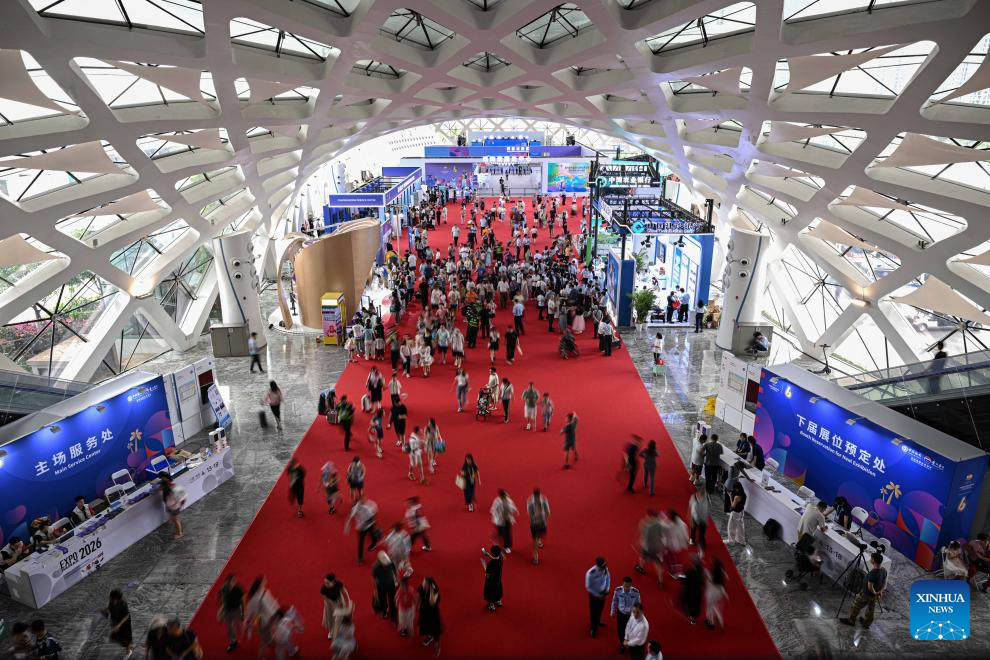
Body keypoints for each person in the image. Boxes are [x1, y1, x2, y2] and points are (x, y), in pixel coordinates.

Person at [840, 552, 887, 629]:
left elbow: (870, 586)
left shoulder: (873, 573)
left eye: (871, 558)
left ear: (874, 560)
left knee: (855, 606)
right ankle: (866, 623)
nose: (870, 559)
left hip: (866, 594)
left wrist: (875, 593)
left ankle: (851, 621)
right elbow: (884, 582)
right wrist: (880, 591)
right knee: (870, 610)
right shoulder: (883, 570)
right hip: (875, 596)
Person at [344, 495, 379, 565]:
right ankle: (360, 558)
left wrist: (347, 527)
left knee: (371, 535)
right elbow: (350, 517)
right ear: (359, 501)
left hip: (366, 525)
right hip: (363, 527)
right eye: (362, 500)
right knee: (362, 541)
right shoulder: (358, 508)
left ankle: (374, 543)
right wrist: (347, 527)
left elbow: (373, 516)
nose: (364, 500)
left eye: (364, 499)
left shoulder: (365, 506)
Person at [610, 577, 641, 654]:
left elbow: (638, 604)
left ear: (631, 585)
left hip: (632, 615)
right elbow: (614, 601)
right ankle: (623, 645)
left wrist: (638, 614)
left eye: (628, 586)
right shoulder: (618, 591)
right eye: (625, 586)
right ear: (622, 584)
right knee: (621, 630)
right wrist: (612, 611)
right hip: (621, 614)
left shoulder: (635, 592)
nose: (626, 588)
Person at [101, 589, 133, 657]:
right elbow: (110, 607)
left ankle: (128, 652)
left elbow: (126, 616)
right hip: (116, 619)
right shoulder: (112, 601)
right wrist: (105, 610)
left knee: (126, 638)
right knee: (116, 636)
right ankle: (128, 646)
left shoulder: (123, 604)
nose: (110, 599)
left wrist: (119, 625)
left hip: (124, 622)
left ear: (117, 599)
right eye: (111, 597)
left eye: (112, 597)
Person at [217, 574, 244, 652]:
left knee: (238, 625)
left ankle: (240, 629)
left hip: (237, 610)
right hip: (227, 611)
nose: (234, 582)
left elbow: (243, 601)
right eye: (232, 580)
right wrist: (220, 611)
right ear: (227, 582)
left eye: (235, 580)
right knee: (229, 628)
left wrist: (243, 613)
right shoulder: (223, 589)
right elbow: (219, 599)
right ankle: (233, 642)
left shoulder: (238, 589)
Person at [585, 556, 611, 637]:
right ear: (597, 565)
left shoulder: (605, 569)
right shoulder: (591, 573)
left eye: (604, 566)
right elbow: (588, 587)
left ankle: (598, 621)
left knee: (600, 609)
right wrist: (598, 595)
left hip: (603, 594)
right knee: (593, 611)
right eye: (602, 566)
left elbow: (608, 579)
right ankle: (593, 628)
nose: (604, 568)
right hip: (594, 595)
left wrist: (607, 589)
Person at [321, 573, 351, 642]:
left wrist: (348, 599)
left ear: (333, 582)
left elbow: (344, 590)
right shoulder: (323, 588)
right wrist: (335, 606)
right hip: (329, 604)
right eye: (325, 582)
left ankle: (342, 628)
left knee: (341, 616)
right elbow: (325, 598)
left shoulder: (338, 584)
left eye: (328, 583)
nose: (325, 584)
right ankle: (331, 632)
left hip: (339, 601)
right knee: (330, 618)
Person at [417, 577, 443, 656]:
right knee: (426, 626)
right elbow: (419, 597)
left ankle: (438, 648)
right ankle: (430, 636)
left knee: (436, 631)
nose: (423, 584)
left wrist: (431, 590)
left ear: (429, 585)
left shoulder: (435, 591)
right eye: (423, 582)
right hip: (424, 612)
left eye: (425, 583)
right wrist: (417, 606)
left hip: (433, 615)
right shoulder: (421, 588)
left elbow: (432, 602)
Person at [372, 551, 399, 624]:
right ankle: (384, 611)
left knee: (393, 601)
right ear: (379, 561)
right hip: (381, 587)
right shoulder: (375, 567)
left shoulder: (391, 563)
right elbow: (374, 580)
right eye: (384, 564)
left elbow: (395, 571)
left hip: (391, 585)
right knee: (382, 600)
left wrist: (397, 580)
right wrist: (375, 591)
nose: (386, 565)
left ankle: (393, 616)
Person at [526, 488, 550, 565]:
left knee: (540, 535)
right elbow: (529, 514)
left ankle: (539, 540)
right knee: (535, 539)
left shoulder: (544, 500)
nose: (537, 498)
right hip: (534, 524)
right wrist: (535, 518)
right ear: (534, 495)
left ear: (539, 495)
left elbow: (548, 511)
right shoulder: (530, 502)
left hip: (543, 523)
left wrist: (544, 520)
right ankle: (535, 556)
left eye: (538, 496)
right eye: (535, 497)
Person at [490, 489, 518, 554]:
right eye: (504, 495)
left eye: (506, 495)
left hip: (507, 519)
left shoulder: (509, 500)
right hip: (500, 521)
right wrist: (496, 518)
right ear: (501, 495)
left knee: (507, 533)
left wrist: (514, 511)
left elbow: (513, 508)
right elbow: (493, 510)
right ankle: (499, 543)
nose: (506, 496)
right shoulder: (497, 501)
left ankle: (506, 546)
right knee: (501, 533)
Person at [160, 474, 186, 540]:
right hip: (172, 507)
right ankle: (173, 520)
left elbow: (179, 499)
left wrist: (174, 505)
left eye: (162, 487)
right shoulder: (168, 489)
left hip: (174, 507)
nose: (161, 488)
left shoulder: (172, 489)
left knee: (176, 521)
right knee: (175, 519)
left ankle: (180, 534)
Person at [680, 555, 704, 625]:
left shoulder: (689, 572)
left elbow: (684, 581)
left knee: (689, 604)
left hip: (690, 591)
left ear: (692, 563)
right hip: (698, 590)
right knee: (696, 604)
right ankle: (693, 617)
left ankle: (691, 618)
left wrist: (680, 576)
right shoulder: (701, 570)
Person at [705, 559, 729, 629]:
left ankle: (711, 622)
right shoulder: (721, 572)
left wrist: (707, 573)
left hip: (712, 592)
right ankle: (719, 620)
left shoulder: (714, 573)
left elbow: (710, 580)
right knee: (716, 606)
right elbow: (726, 580)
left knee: (710, 607)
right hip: (719, 593)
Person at [481, 545, 505, 613]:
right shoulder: (501, 558)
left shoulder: (490, 564)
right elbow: (495, 559)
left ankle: (491, 605)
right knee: (498, 589)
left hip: (491, 581)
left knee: (490, 592)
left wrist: (484, 565)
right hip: (498, 579)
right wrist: (488, 555)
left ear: (492, 553)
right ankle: (498, 601)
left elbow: (487, 574)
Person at [688, 481, 709, 555]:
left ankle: (701, 549)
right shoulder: (693, 497)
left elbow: (708, 508)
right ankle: (692, 539)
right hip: (695, 517)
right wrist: (690, 518)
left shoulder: (706, 496)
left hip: (703, 519)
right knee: (693, 529)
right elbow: (690, 508)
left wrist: (707, 519)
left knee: (701, 535)